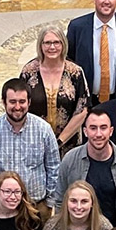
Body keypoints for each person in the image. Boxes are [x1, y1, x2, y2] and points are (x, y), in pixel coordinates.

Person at [0, 78, 61, 216]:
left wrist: (49, 203)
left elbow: (54, 167)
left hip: (36, 206)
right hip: (1, 208)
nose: (18, 107)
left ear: (29, 102)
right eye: (12, 102)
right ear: (4, 102)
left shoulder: (43, 129)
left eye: (22, 101)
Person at [56, 108, 116, 225]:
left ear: (111, 131)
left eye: (103, 128)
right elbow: (60, 201)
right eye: (93, 128)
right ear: (85, 131)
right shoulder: (70, 159)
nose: (98, 134)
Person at [21, 25, 90, 154]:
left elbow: (82, 110)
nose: (52, 47)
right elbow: (21, 105)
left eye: (56, 42)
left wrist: (59, 142)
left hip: (69, 145)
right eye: (47, 43)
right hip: (35, 144)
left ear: (63, 44)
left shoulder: (75, 72)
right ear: (40, 45)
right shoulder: (29, 71)